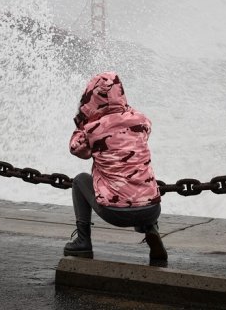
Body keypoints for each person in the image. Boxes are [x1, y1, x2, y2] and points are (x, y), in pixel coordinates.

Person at [64, 71, 167, 263]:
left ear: (91, 98)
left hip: (116, 213)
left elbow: (77, 150)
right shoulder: (142, 121)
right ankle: (151, 229)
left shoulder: (92, 129)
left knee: (79, 180)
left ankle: (83, 242)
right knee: (139, 177)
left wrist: (83, 122)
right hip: (152, 209)